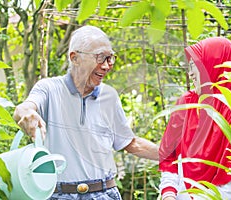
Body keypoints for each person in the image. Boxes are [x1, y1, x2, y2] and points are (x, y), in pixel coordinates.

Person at [13, 25, 159, 200]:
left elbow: (129, 143)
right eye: (100, 58)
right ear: (75, 58)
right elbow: (24, 108)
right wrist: (26, 114)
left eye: (110, 58)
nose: (107, 66)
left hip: (105, 193)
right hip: (59, 195)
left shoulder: (109, 96)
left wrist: (174, 156)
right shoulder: (49, 89)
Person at [159, 37, 231, 200]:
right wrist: (168, 193)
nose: (190, 73)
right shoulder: (186, 104)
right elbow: (169, 158)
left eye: (194, 66)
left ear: (211, 65)